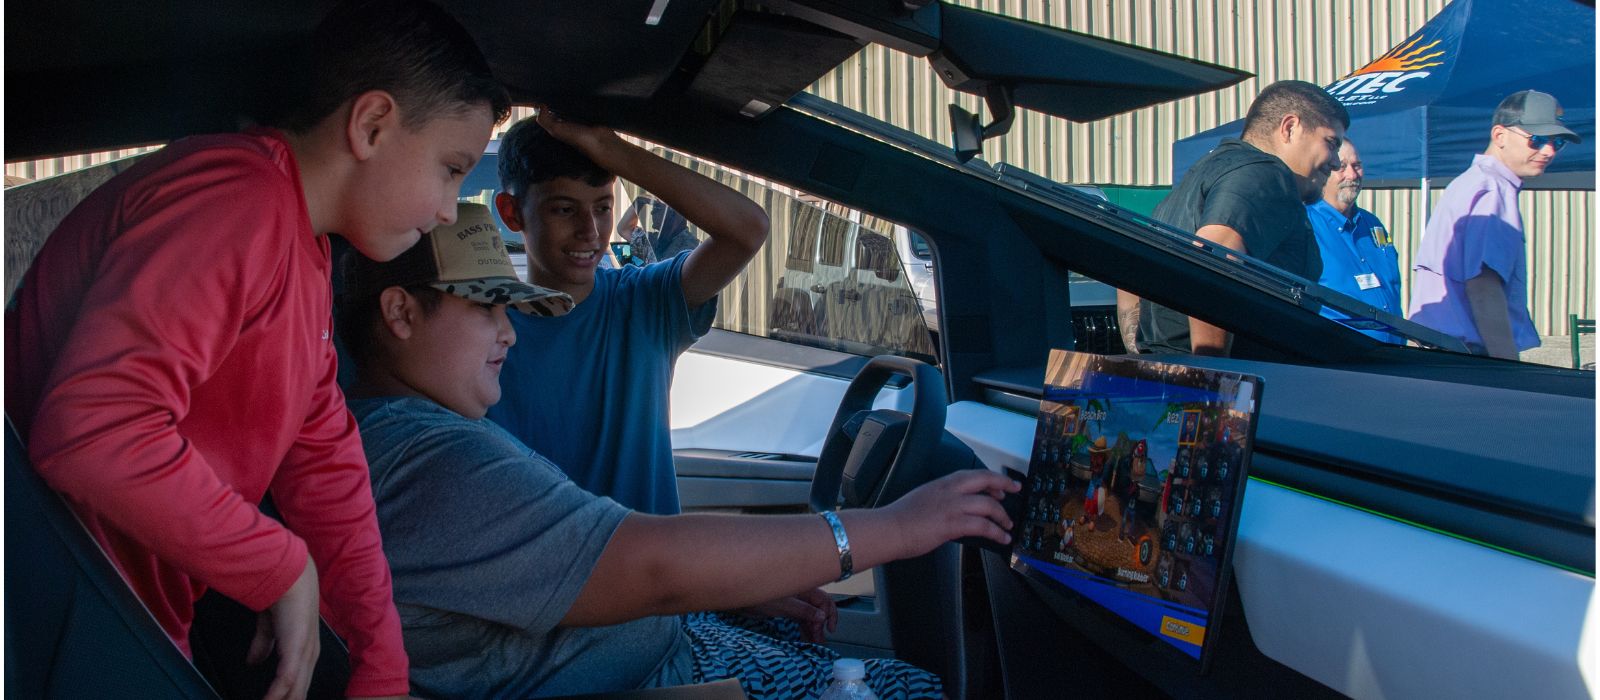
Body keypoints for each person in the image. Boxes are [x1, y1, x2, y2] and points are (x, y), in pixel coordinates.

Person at [3, 1, 512, 697]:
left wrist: (380, 661)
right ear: (371, 125)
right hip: (58, 614)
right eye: (453, 169)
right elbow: (93, 431)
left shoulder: (304, 254)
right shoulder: (235, 202)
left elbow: (325, 465)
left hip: (129, 617)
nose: (452, 208)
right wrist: (279, 566)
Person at [336, 213, 1018, 698]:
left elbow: (594, 555)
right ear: (400, 314)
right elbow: (650, 565)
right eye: (486, 308)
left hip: (666, 647)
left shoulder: (404, 433)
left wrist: (739, 583)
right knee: (918, 690)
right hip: (659, 677)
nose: (508, 333)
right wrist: (897, 529)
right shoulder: (427, 461)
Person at [487, 111, 768, 516]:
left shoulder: (645, 301)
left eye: (602, 208)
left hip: (652, 576)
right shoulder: (483, 333)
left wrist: (610, 149)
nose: (590, 231)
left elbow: (748, 228)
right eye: (565, 210)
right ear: (511, 213)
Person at [1118, 80, 1348, 356]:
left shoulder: (1199, 177)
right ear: (1290, 128)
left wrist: (1140, 354)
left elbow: (1128, 274)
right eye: (1331, 143)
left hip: (1172, 376)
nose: (1336, 162)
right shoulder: (1264, 174)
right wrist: (1216, 378)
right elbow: (1211, 259)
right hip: (1235, 386)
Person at [1407, 90, 1580, 359]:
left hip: (1445, 353)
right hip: (1470, 359)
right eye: (1537, 139)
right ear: (1499, 135)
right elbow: (1484, 287)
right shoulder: (1493, 191)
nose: (1548, 151)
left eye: (1556, 142)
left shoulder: (1468, 183)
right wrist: (1507, 367)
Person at [1305, 138, 1403, 343]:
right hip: (1341, 358)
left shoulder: (1372, 224)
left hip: (1391, 357)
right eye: (1341, 167)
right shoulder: (1306, 225)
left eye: (1357, 166)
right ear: (1324, 172)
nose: (1352, 175)